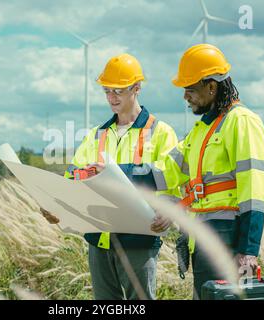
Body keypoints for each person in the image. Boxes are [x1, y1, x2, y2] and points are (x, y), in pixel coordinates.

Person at [41, 53, 181, 300]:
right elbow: (73, 178)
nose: (111, 98)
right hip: (100, 240)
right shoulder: (97, 135)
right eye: (107, 91)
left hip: (139, 238)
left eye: (118, 91)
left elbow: (172, 179)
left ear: (136, 88)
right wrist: (57, 207)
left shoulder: (161, 132)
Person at [152, 44, 264, 299]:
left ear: (212, 87)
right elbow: (166, 170)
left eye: (190, 89)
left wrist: (248, 250)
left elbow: (254, 190)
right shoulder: (201, 130)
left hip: (227, 237)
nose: (185, 97)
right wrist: (120, 176)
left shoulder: (241, 121)